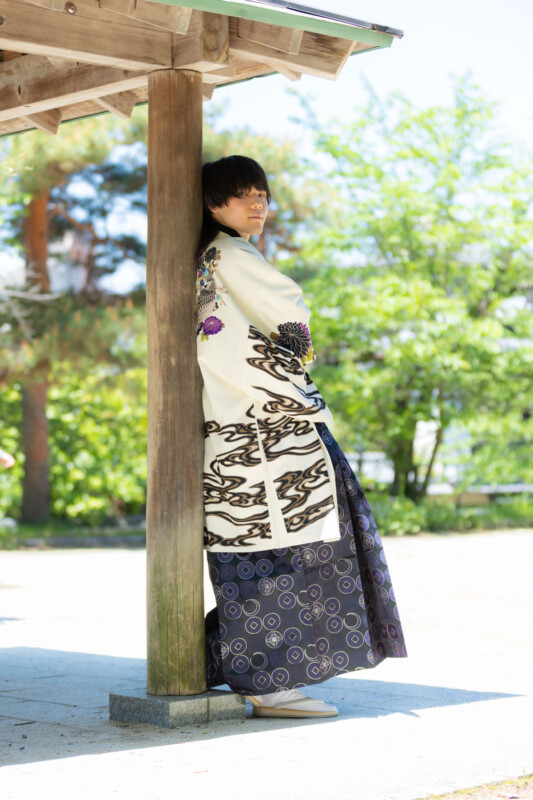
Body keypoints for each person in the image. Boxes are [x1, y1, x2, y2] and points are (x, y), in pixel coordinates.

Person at [196, 155, 407, 719]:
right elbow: (290, 321)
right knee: (292, 555)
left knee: (268, 556)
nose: (258, 204)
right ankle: (268, 684)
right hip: (268, 432)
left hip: (243, 432)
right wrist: (296, 353)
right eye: (244, 194)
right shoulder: (230, 256)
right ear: (213, 203)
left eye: (262, 194)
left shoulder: (216, 258)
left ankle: (249, 673)